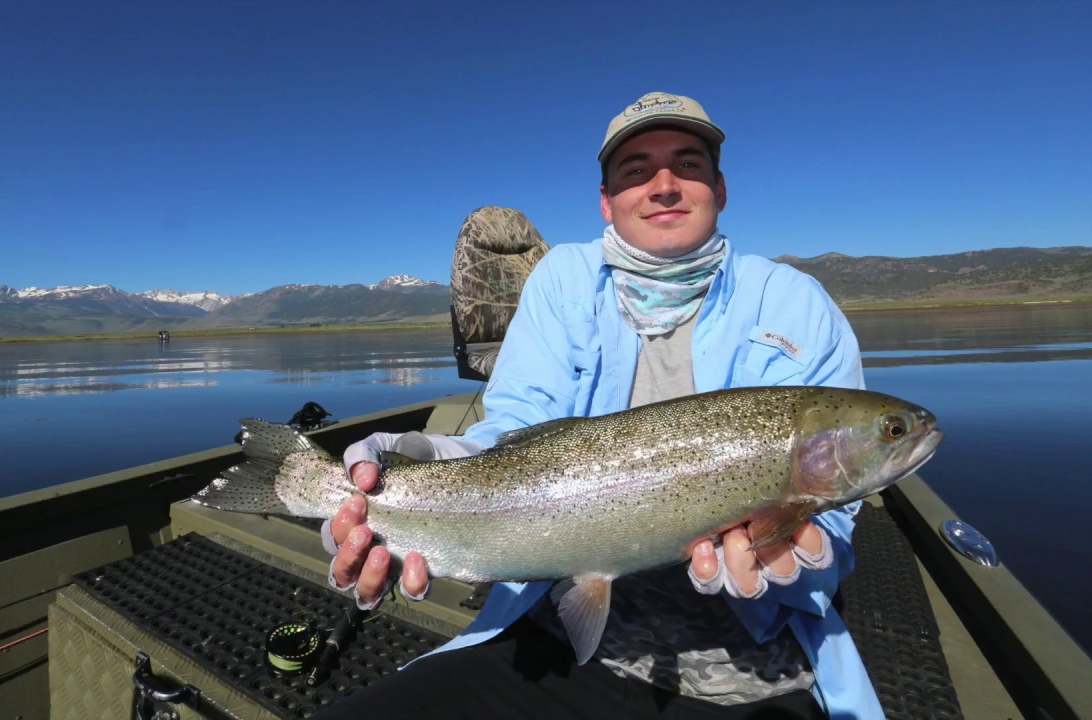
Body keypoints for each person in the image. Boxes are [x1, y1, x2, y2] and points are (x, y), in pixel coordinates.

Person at [319, 92, 881, 719]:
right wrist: (417, 461)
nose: (663, 185)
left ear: (721, 189)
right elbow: (515, 434)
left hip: (748, 675)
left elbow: (832, 528)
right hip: (549, 641)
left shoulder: (794, 302)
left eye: (688, 165)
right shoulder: (563, 279)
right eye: (636, 170)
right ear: (607, 201)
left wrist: (807, 562)